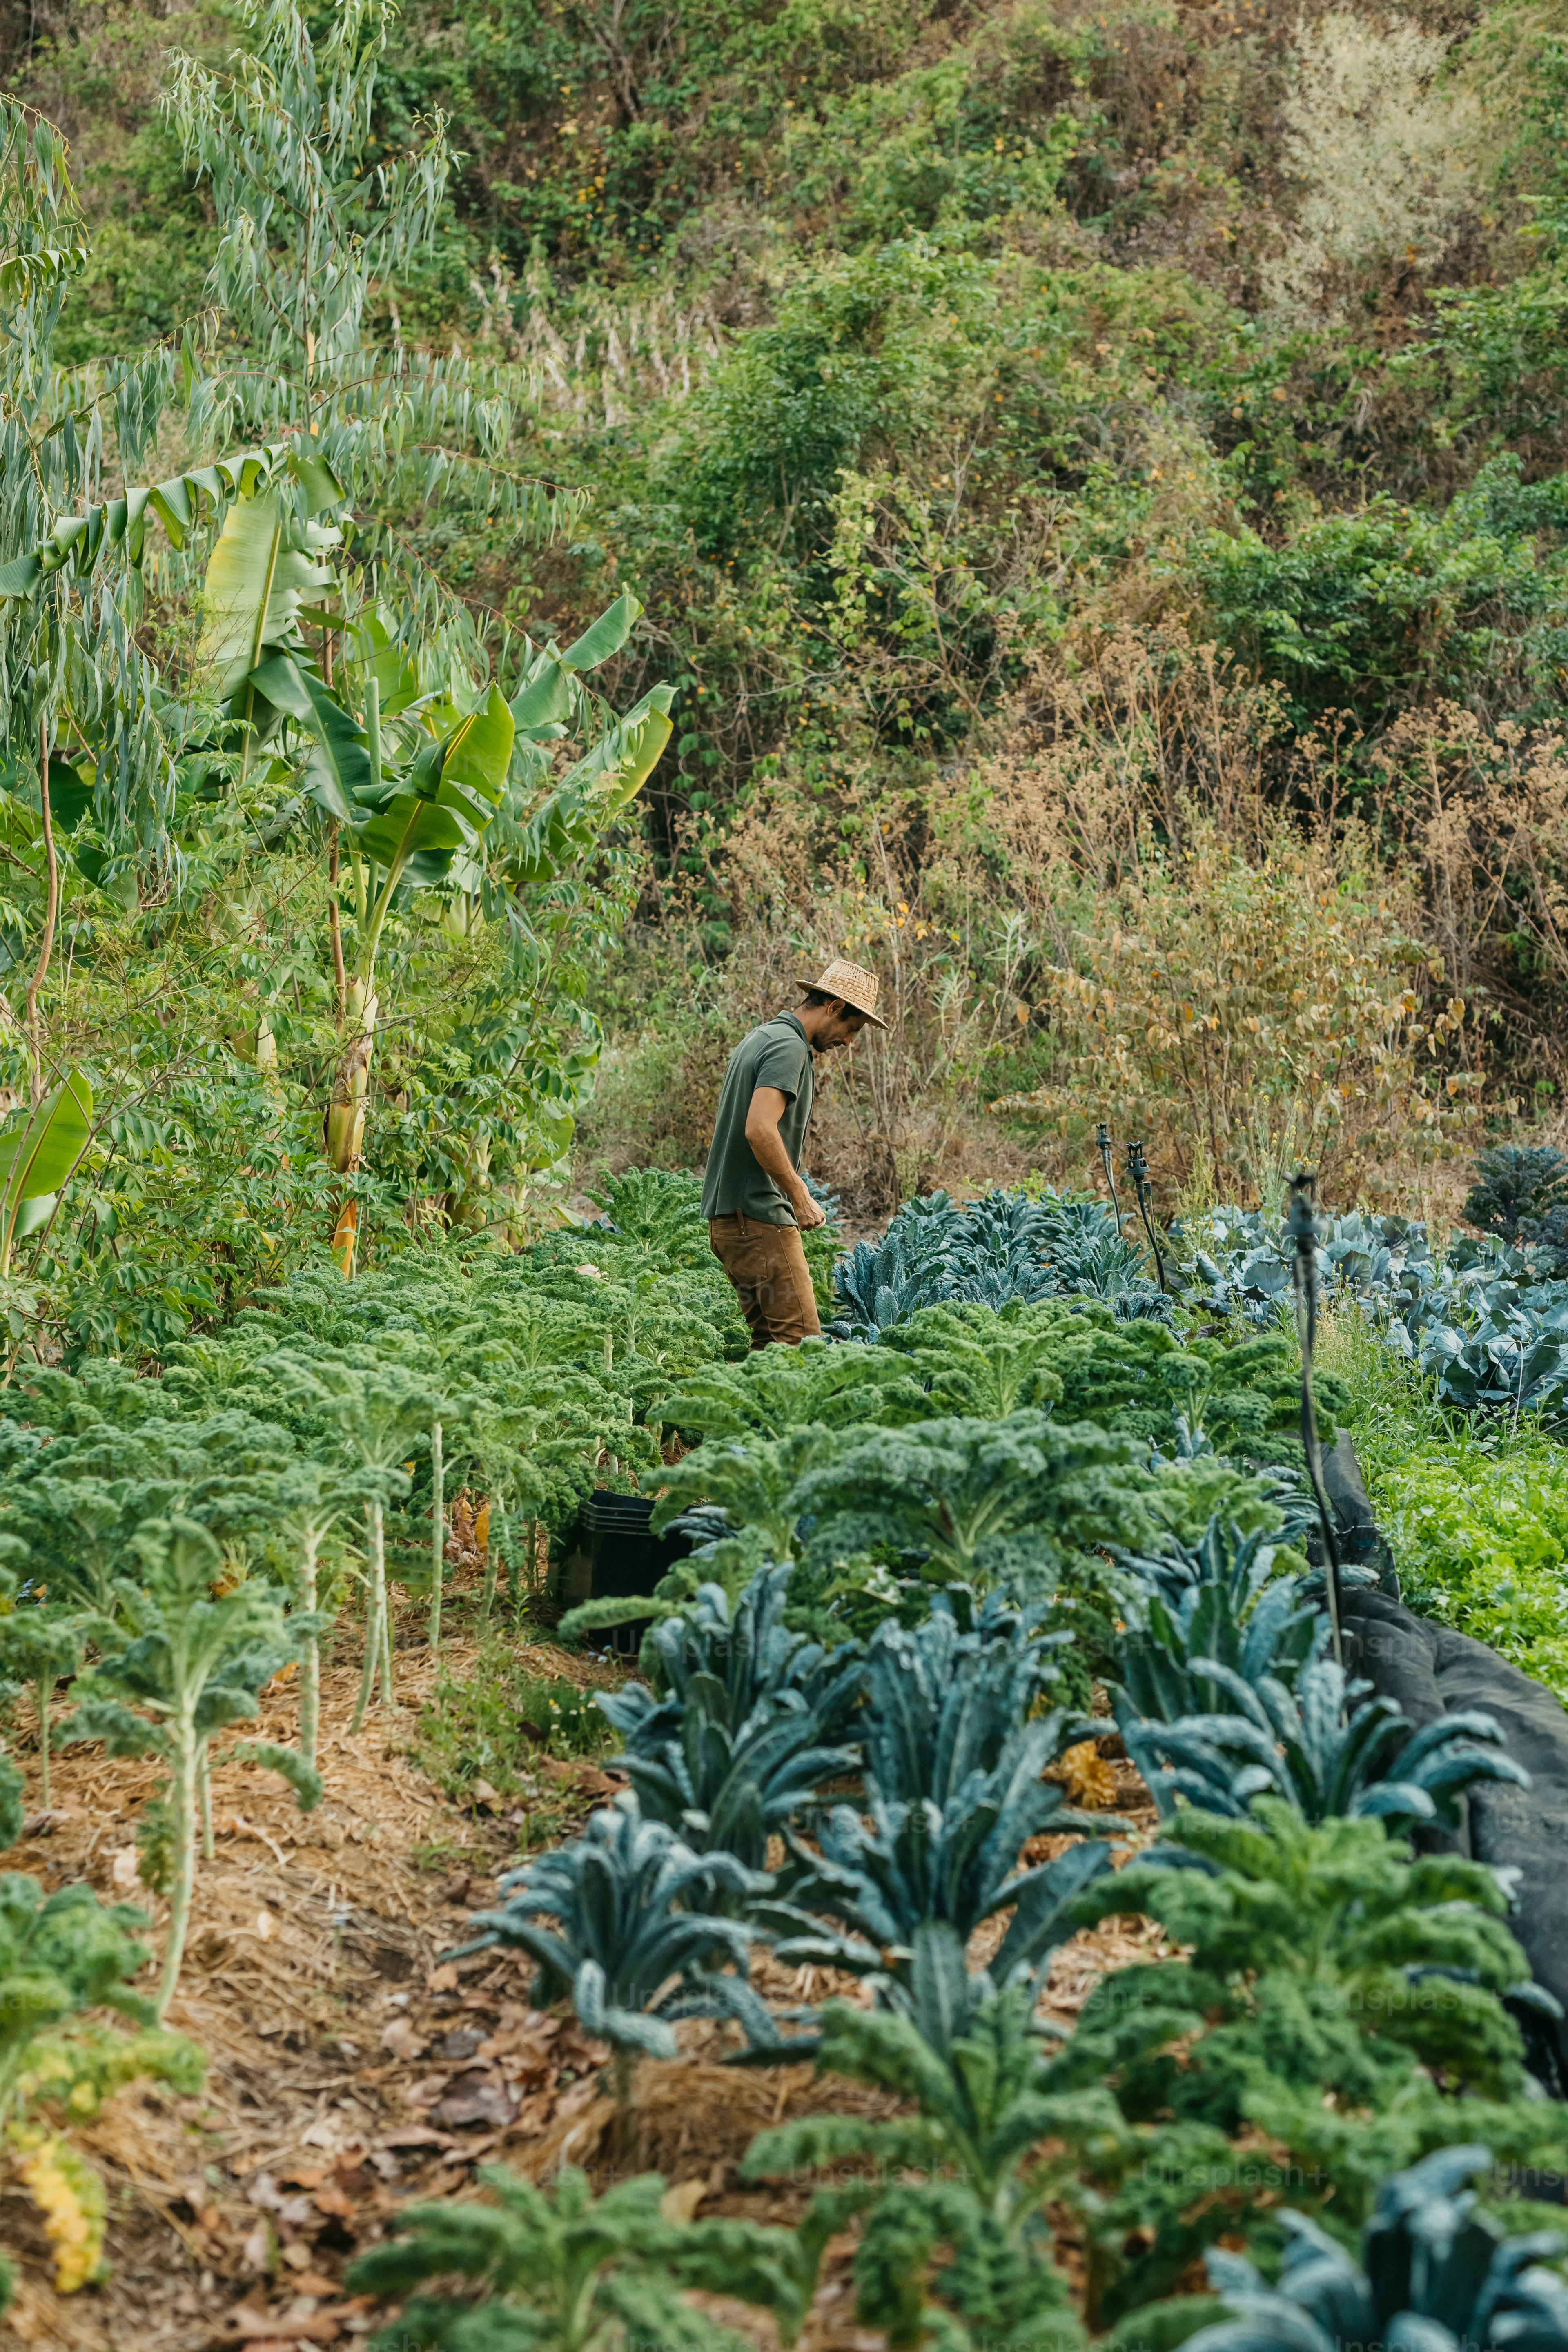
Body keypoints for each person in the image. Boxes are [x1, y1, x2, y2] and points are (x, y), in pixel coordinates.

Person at [700, 958, 886, 1348]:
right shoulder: (789, 1048)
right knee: (802, 1347)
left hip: (732, 1230)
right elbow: (760, 1130)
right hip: (759, 1226)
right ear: (834, 1007)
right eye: (851, 1029)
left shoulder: (763, 1036)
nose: (848, 1043)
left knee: (769, 1344)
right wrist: (800, 1196)